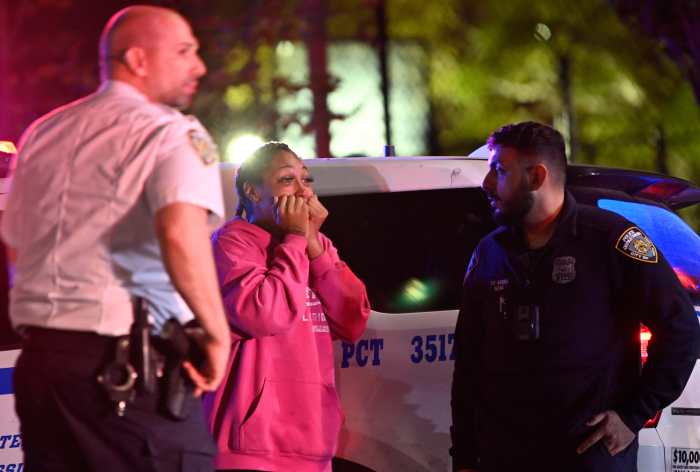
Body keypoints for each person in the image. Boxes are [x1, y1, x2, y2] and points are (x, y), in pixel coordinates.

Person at [2, 5, 231, 471]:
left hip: (44, 368)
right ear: (138, 59)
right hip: (126, 370)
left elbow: (16, 243)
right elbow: (180, 233)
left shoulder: (44, 132)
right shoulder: (169, 134)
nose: (199, 67)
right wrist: (216, 333)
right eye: (185, 51)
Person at [450, 121, 700, 472]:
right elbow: (469, 362)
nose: (487, 183)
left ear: (537, 176)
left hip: (586, 458)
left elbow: (683, 328)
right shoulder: (489, 253)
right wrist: (464, 455)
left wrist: (631, 415)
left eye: (499, 171)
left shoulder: (610, 240)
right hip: (505, 456)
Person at [203, 142, 370, 472]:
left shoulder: (314, 245)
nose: (303, 191)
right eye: (286, 180)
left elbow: (352, 321)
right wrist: (295, 240)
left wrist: (313, 249)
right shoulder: (231, 243)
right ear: (252, 191)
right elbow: (265, 314)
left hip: (312, 443)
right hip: (252, 446)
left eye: (306, 180)